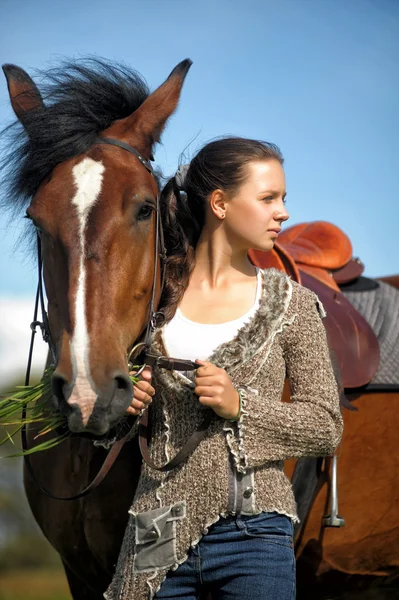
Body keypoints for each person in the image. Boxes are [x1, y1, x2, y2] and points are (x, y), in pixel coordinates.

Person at [105, 137, 343, 600]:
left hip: (253, 536)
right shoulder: (152, 300)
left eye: (284, 199)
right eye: (268, 198)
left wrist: (242, 406)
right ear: (219, 203)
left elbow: (326, 425)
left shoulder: (293, 305)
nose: (284, 213)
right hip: (155, 533)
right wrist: (124, 406)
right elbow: (106, 424)